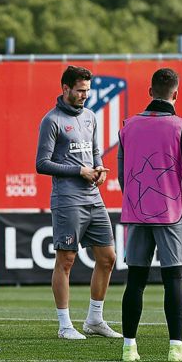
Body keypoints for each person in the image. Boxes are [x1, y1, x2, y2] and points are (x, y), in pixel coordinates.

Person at [118, 68, 182, 362]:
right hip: (170, 212)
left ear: (150, 91)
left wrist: (133, 200)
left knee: (135, 280)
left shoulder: (127, 126)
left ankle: (129, 348)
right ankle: (175, 348)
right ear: (176, 94)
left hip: (136, 212)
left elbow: (122, 176)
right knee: (173, 279)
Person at [36, 65, 121, 340]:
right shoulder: (52, 120)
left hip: (93, 197)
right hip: (67, 199)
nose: (85, 95)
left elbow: (95, 153)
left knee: (108, 258)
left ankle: (95, 320)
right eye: (80, 90)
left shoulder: (90, 117)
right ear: (66, 89)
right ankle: (64, 325)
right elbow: (42, 163)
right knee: (67, 259)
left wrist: (97, 170)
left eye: (87, 90)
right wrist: (78, 171)